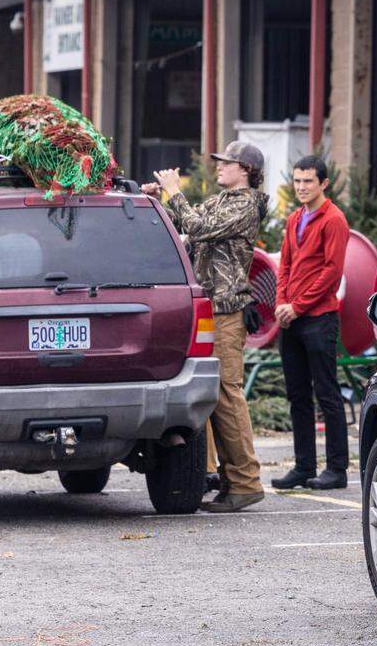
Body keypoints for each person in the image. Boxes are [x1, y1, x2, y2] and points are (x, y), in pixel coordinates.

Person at [144, 141, 270, 513]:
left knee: (227, 395)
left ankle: (246, 481)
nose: (218, 167)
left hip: (227, 312)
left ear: (245, 170)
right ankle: (227, 479)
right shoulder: (223, 200)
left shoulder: (245, 203)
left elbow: (198, 226)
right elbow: (189, 222)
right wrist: (162, 198)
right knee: (213, 395)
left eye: (226, 163)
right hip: (210, 308)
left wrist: (174, 191)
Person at [269, 156, 352, 491]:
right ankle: (303, 466)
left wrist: (297, 306)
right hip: (291, 319)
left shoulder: (334, 219)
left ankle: (337, 469)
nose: (301, 187)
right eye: (297, 181)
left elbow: (331, 273)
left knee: (327, 394)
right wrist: (280, 304)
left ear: (323, 184)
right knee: (297, 395)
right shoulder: (293, 219)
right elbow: (285, 266)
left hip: (319, 319)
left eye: (308, 182)